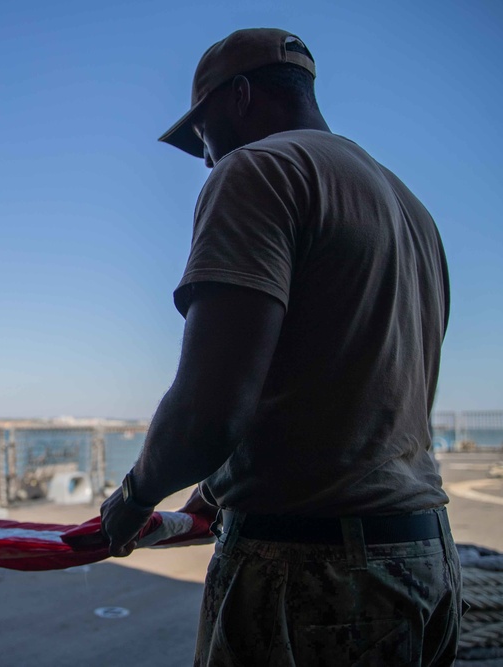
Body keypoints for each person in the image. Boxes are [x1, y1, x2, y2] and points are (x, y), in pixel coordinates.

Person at [101, 28, 463, 665]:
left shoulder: (260, 169)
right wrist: (214, 495)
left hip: (316, 574)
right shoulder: (409, 208)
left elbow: (209, 411)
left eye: (202, 135)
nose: (207, 159)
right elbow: (345, 388)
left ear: (239, 96)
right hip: (424, 561)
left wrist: (133, 498)